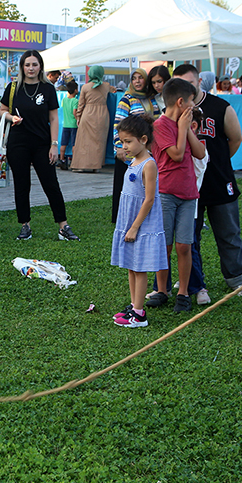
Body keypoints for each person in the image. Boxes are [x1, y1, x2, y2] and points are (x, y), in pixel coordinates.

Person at [171, 64, 242, 305]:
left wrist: (213, 162)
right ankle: (192, 280)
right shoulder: (173, 110)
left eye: (189, 83)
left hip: (218, 181)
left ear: (199, 82)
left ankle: (237, 280)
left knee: (228, 234)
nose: (184, 89)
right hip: (187, 184)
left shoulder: (220, 107)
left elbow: (235, 139)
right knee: (188, 237)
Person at [0, 49, 79, 242]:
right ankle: (25, 226)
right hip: (18, 144)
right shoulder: (13, 87)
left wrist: (54, 145)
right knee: (22, 185)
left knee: (51, 184)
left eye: (34, 64)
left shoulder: (47, 88)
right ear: (22, 67)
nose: (31, 68)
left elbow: (53, 117)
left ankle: (63, 226)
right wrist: (10, 117)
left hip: (43, 144)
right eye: (27, 65)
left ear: (40, 66)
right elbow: (1, 111)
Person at [143, 78, 206, 314]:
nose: (193, 105)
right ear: (181, 102)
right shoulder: (160, 126)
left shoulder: (184, 125)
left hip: (188, 194)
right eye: (191, 101)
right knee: (165, 244)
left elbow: (199, 152)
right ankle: (162, 289)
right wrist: (182, 129)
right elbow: (177, 155)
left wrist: (187, 130)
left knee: (184, 245)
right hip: (166, 193)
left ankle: (183, 293)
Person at [111, 116, 167, 328]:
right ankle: (134, 304)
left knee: (140, 268)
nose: (124, 146)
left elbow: (150, 199)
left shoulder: (149, 164)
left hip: (142, 225)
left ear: (143, 139)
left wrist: (135, 227)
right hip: (130, 222)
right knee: (131, 266)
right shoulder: (133, 161)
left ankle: (139, 314)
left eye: (128, 141)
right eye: (122, 142)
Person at [111, 68, 159, 223]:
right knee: (125, 185)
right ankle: (121, 216)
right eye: (134, 78)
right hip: (128, 150)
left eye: (141, 78)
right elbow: (118, 123)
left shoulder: (151, 99)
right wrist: (119, 145)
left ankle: (142, 213)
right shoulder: (127, 99)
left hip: (147, 149)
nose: (137, 81)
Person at [71, 65, 111, 172]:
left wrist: (78, 117)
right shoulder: (106, 86)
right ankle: (96, 166)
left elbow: (81, 104)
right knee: (99, 142)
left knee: (83, 141)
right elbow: (114, 91)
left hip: (88, 114)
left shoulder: (85, 87)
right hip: (102, 115)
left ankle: (81, 165)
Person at [57, 80, 79, 170]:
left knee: (63, 143)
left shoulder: (64, 100)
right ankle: (74, 161)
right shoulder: (75, 100)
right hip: (73, 124)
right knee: (74, 144)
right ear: (75, 90)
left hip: (65, 124)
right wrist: (77, 118)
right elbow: (75, 111)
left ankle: (61, 159)